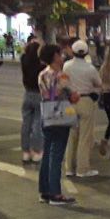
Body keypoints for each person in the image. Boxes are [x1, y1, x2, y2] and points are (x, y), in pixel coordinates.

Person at [36, 44, 79, 205]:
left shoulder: (42, 74)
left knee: (47, 154)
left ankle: (45, 192)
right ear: (54, 56)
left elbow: (46, 95)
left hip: (46, 116)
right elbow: (73, 97)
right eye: (60, 54)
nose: (62, 57)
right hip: (60, 117)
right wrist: (73, 96)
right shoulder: (62, 76)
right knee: (57, 156)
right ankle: (55, 194)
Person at [63, 39, 102, 177]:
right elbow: (99, 83)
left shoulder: (66, 66)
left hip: (70, 102)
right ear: (86, 53)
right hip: (86, 101)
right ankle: (82, 169)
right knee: (85, 137)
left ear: (73, 52)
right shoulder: (90, 68)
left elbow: (63, 82)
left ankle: (69, 167)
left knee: (71, 135)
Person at [20, 41, 45, 163]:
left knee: (26, 124)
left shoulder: (24, 60)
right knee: (37, 124)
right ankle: (37, 151)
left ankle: (26, 152)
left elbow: (24, 53)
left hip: (27, 93)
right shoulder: (41, 66)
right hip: (39, 94)